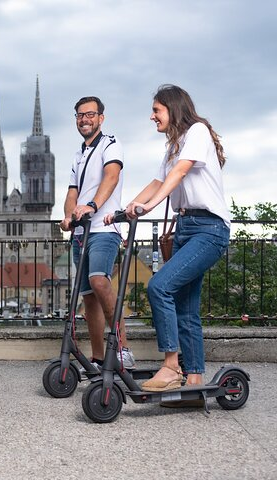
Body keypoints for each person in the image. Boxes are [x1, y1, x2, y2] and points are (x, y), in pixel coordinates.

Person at [116, 84, 230, 402]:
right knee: (185, 306)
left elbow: (179, 173)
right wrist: (123, 211)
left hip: (209, 230)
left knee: (159, 287)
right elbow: (156, 182)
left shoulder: (197, 132)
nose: (152, 116)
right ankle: (194, 377)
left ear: (172, 108)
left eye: (156, 110)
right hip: (185, 229)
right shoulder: (174, 145)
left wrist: (149, 207)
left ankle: (171, 367)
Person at [60, 96, 135, 369]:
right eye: (80, 115)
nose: (84, 119)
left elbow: (111, 177)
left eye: (90, 114)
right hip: (82, 233)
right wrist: (69, 216)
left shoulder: (111, 144)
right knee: (88, 296)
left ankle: (124, 349)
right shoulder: (78, 155)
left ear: (100, 118)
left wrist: (91, 205)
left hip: (104, 227)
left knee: (99, 281)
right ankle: (98, 356)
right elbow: (71, 193)